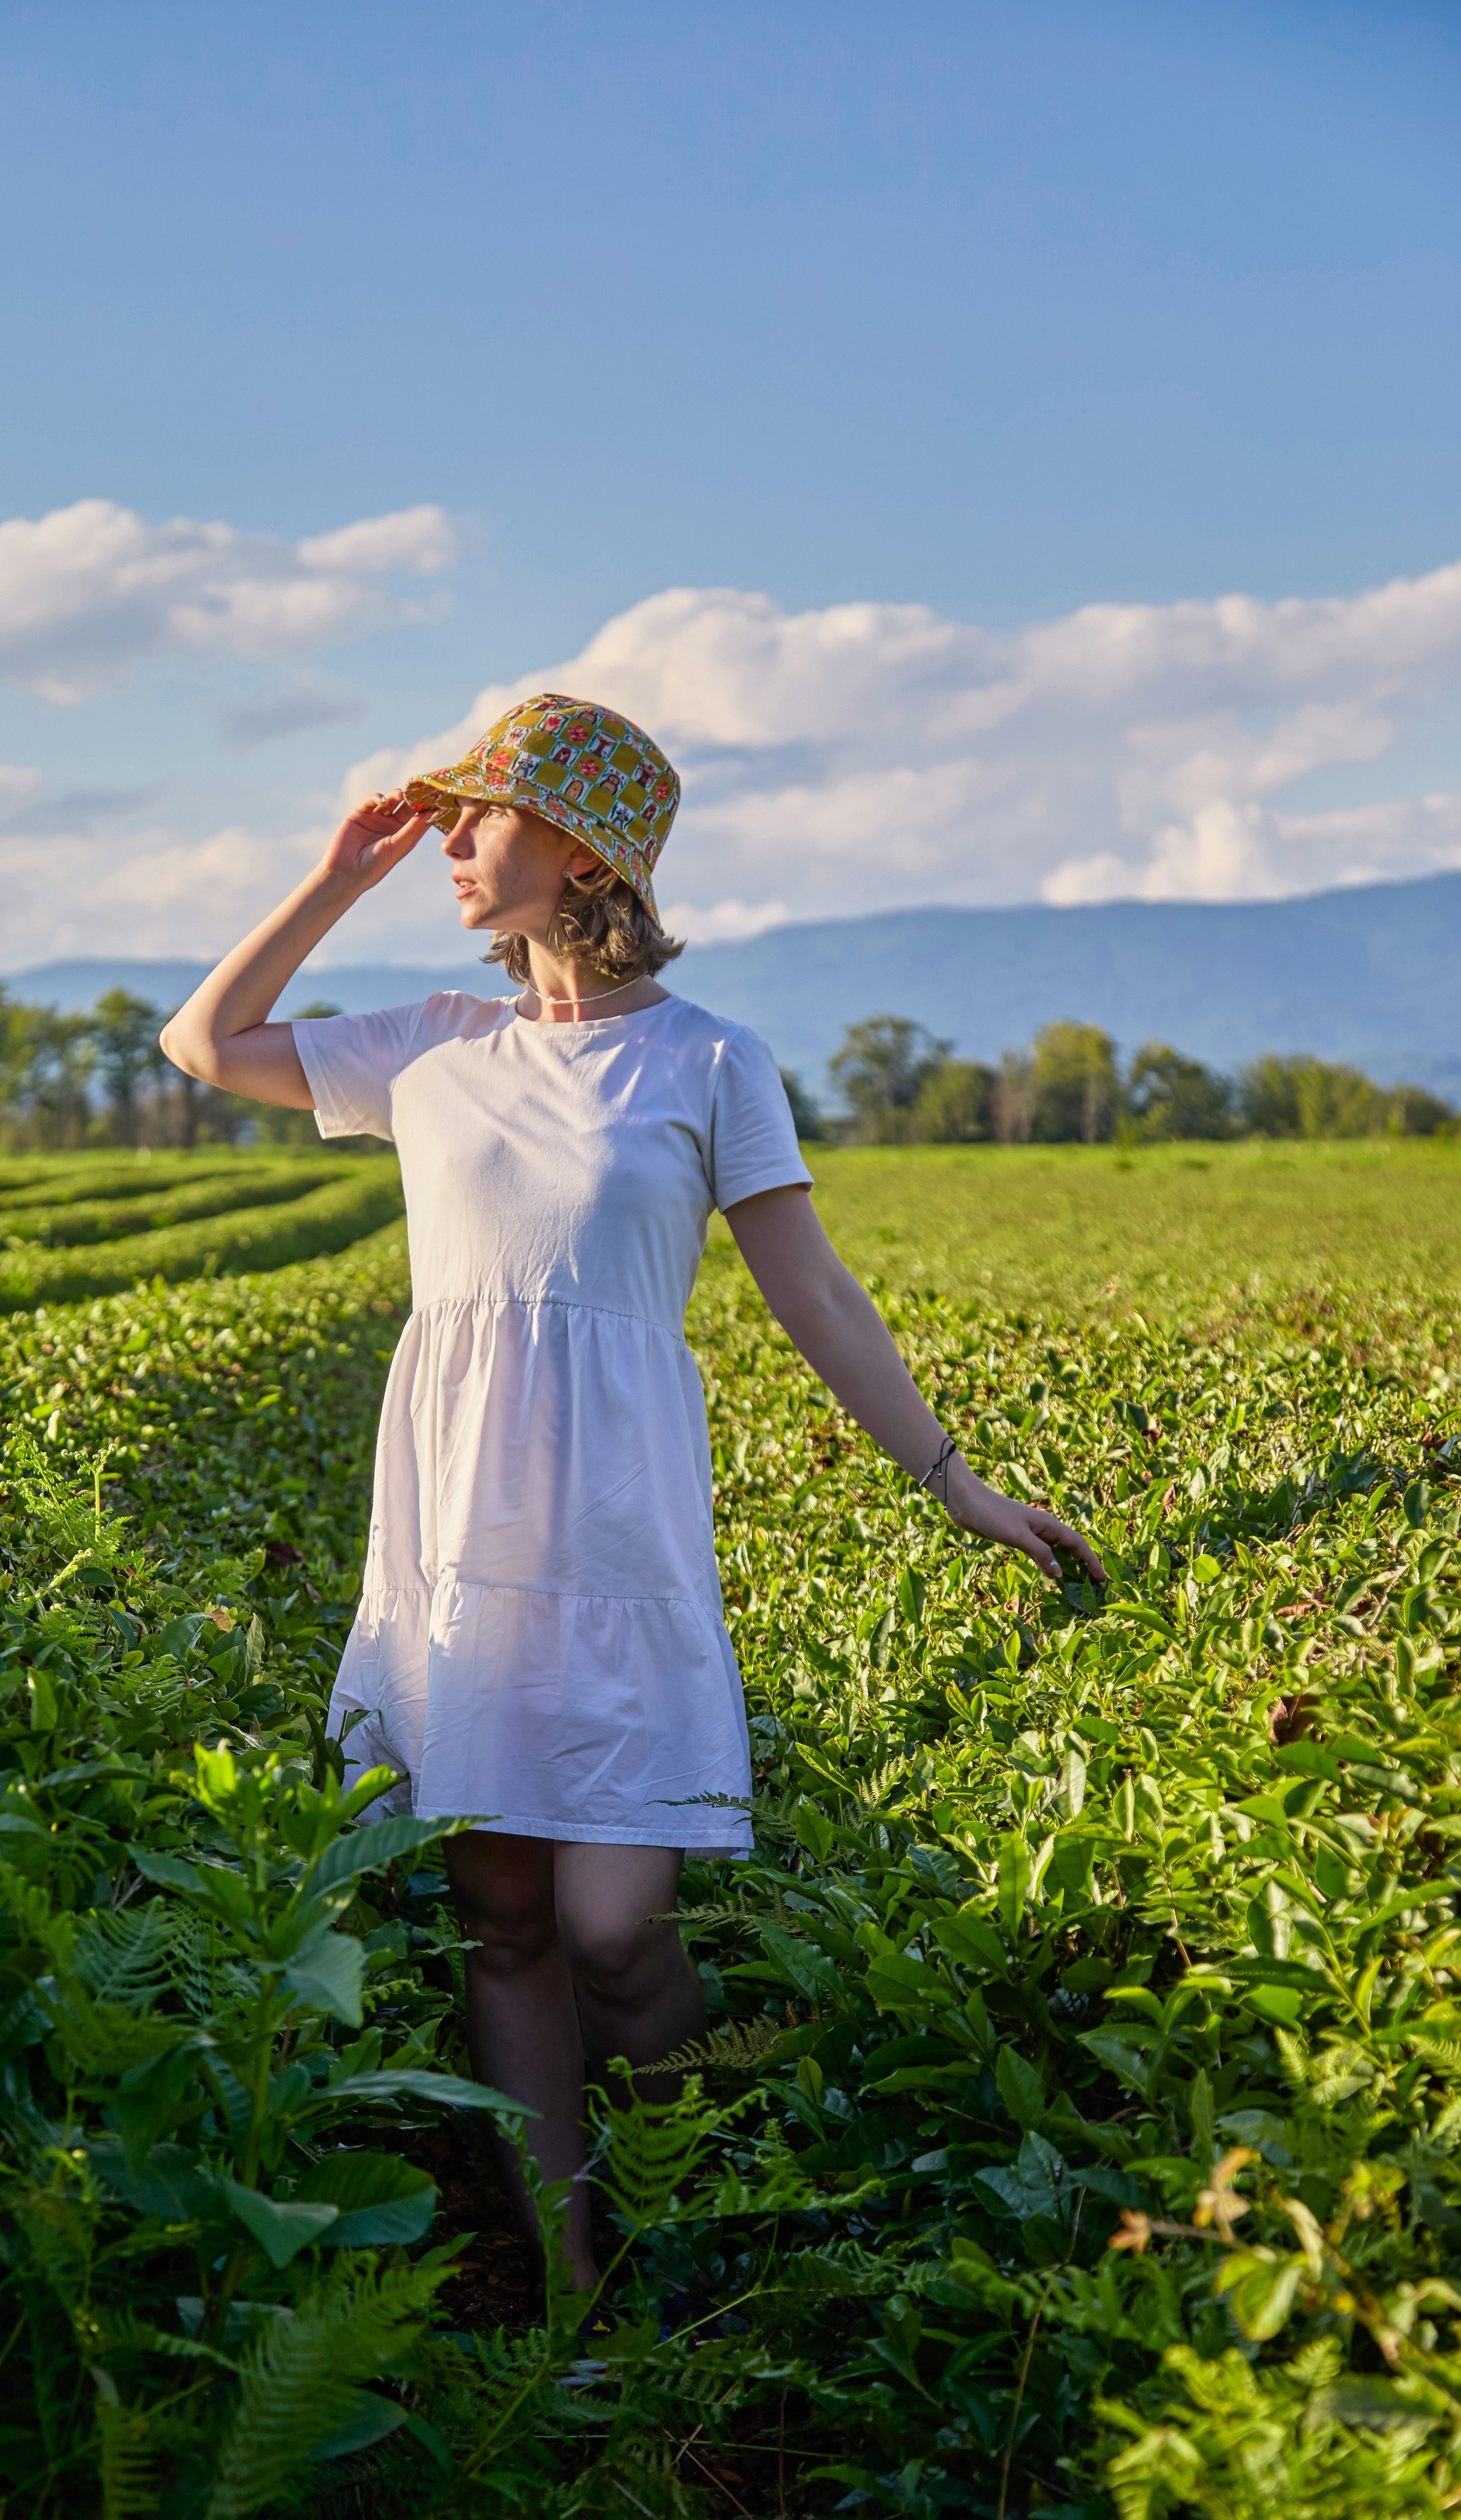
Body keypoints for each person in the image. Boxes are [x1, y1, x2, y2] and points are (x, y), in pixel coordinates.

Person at [161, 692, 1104, 2284]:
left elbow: (814, 1297)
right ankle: (575, 2296)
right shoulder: (432, 1050)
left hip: (619, 1531)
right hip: (459, 1531)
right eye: (446, 817)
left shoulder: (709, 1059)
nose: (450, 842)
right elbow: (204, 1045)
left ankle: (694, 2222)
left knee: (612, 1925)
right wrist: (333, 880)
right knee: (505, 1924)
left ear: (584, 849)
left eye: (483, 816)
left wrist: (957, 1485)